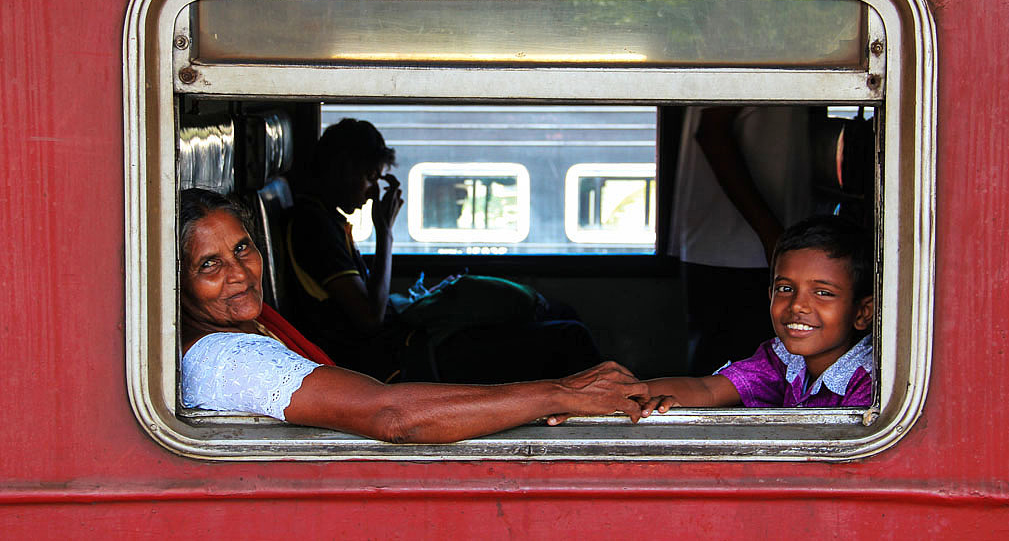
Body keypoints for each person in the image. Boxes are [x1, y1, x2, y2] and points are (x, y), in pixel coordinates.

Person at [178, 188, 648, 443]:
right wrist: (559, 393)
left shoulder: (248, 324)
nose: (239, 273)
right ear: (175, 279)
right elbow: (392, 416)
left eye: (242, 249)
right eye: (209, 265)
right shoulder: (229, 359)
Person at [284, 118, 601, 383]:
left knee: (560, 314)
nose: (371, 194)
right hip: (394, 359)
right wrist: (386, 234)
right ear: (342, 168)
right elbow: (369, 318)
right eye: (369, 179)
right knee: (569, 336)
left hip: (406, 343)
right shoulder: (314, 228)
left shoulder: (326, 221)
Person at [640, 215, 874, 411]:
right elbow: (709, 390)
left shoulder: (869, 383)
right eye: (785, 289)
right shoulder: (784, 359)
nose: (797, 305)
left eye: (823, 293)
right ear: (770, 293)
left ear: (863, 313)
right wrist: (634, 391)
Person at [668, 106, 815, 375]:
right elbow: (712, 133)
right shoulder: (752, 62)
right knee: (733, 378)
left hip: (744, 248)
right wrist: (772, 236)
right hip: (740, 250)